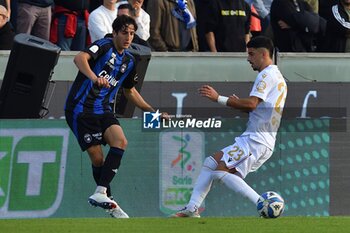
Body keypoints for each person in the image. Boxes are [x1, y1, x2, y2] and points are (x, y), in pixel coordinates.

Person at [172, 36, 287, 218]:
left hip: (257, 139)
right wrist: (236, 102)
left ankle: (265, 204)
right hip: (258, 138)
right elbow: (258, 109)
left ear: (264, 54)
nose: (248, 59)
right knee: (211, 162)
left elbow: (251, 104)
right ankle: (192, 208)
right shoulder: (278, 76)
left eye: (251, 54)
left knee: (219, 171)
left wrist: (219, 98)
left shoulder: (266, 75)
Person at [65, 15, 164, 218]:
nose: (128, 37)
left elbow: (130, 92)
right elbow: (79, 58)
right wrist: (94, 77)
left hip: (103, 109)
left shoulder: (129, 60)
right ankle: (111, 203)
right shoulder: (103, 45)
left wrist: (152, 112)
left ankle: (101, 193)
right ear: (116, 32)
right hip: (81, 109)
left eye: (132, 33)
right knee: (98, 158)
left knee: (120, 141)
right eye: (124, 32)